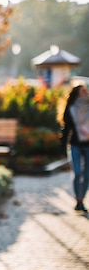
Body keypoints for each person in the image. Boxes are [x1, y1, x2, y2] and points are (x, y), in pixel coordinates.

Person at [60, 83, 89, 212]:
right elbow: (66, 129)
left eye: (86, 91)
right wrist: (61, 148)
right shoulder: (71, 108)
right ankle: (77, 199)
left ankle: (82, 199)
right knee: (77, 172)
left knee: (87, 174)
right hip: (75, 144)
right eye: (82, 91)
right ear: (76, 94)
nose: (85, 93)